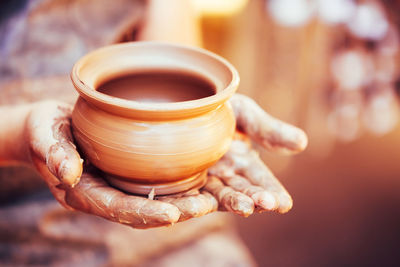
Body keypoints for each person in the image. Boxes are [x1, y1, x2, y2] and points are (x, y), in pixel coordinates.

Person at [0, 0, 307, 264]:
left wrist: (190, 115)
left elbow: (169, 37)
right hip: (14, 222)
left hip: (179, 232)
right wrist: (19, 133)